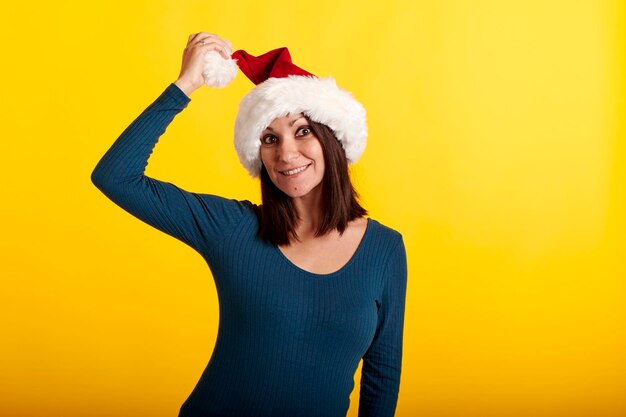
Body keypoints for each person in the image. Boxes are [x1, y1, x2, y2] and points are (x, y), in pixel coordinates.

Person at [91, 32, 408, 417]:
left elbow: (382, 375)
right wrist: (186, 85)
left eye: (303, 130)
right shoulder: (232, 227)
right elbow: (115, 177)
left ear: (333, 138)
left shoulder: (385, 249)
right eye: (269, 138)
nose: (286, 152)